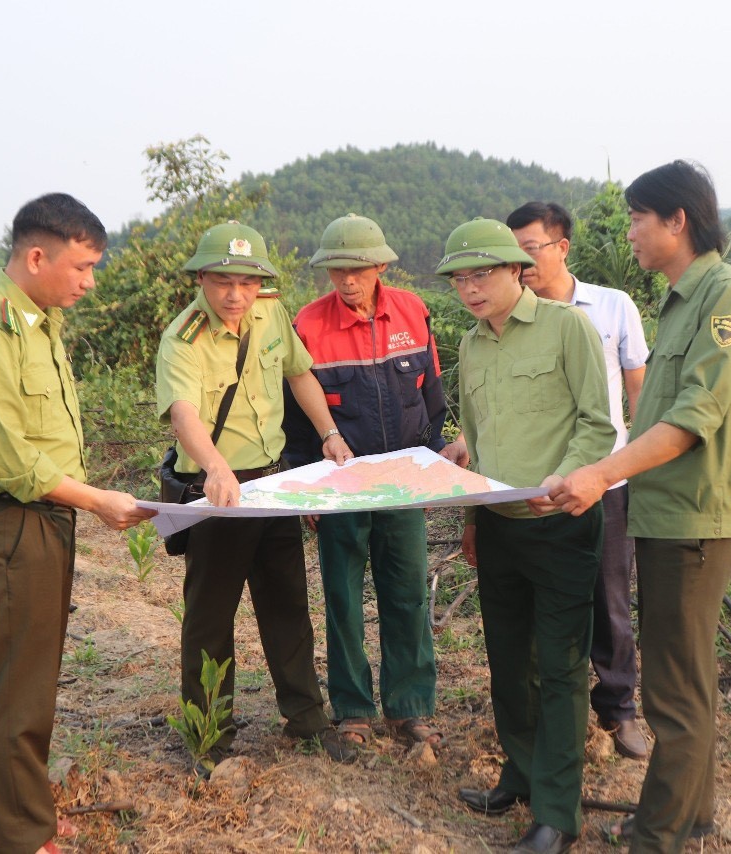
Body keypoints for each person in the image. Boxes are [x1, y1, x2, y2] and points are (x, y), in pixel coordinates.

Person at [544, 161, 731, 852]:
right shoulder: (681, 301)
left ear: (678, 220)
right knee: (688, 678)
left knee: (674, 689)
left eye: (639, 220)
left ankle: (659, 834)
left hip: (694, 517)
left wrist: (601, 474)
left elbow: (690, 418)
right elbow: (650, 415)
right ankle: (689, 815)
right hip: (666, 511)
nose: (632, 234)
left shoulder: (728, 296)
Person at [0, 193, 156, 854]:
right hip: (10, 527)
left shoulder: (37, 321)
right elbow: (10, 459)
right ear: (38, 255)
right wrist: (97, 500)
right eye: (82, 267)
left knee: (28, 678)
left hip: (40, 525)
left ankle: (16, 810)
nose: (89, 283)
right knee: (15, 689)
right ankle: (19, 836)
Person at [154, 221, 356, 768]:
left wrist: (329, 434)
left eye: (246, 282)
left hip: (272, 483)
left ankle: (306, 720)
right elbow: (183, 414)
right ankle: (209, 737)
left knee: (288, 604)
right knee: (210, 621)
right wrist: (218, 468)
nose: (235, 295)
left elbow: (300, 374)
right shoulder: (184, 337)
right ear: (202, 278)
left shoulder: (269, 312)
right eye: (222, 281)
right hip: (217, 492)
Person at [442, 218, 616, 854]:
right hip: (499, 525)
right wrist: (470, 519)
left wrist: (565, 478)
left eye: (482, 273)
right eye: (460, 278)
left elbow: (599, 427)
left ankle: (557, 815)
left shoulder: (568, 327)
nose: (470, 288)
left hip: (561, 524)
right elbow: (479, 441)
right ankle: (518, 773)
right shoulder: (470, 347)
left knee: (564, 668)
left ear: (518, 269)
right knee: (509, 662)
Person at [282, 214, 453, 752]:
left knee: (406, 594)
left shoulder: (412, 312)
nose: (346, 280)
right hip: (340, 486)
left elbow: (432, 398)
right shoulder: (308, 324)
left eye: (357, 269)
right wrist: (306, 485)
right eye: (336, 270)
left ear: (380, 265)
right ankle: (353, 708)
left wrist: (427, 471)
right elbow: (295, 418)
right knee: (343, 596)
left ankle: (409, 708)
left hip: (403, 482)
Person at [508, 201, 650, 759]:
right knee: (544, 601)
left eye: (530, 251)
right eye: (511, 254)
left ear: (562, 247)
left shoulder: (612, 308)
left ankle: (619, 709)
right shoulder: (508, 318)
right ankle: (549, 708)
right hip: (538, 489)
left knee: (610, 598)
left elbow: (639, 393)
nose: (520, 266)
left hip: (606, 484)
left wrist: (638, 463)